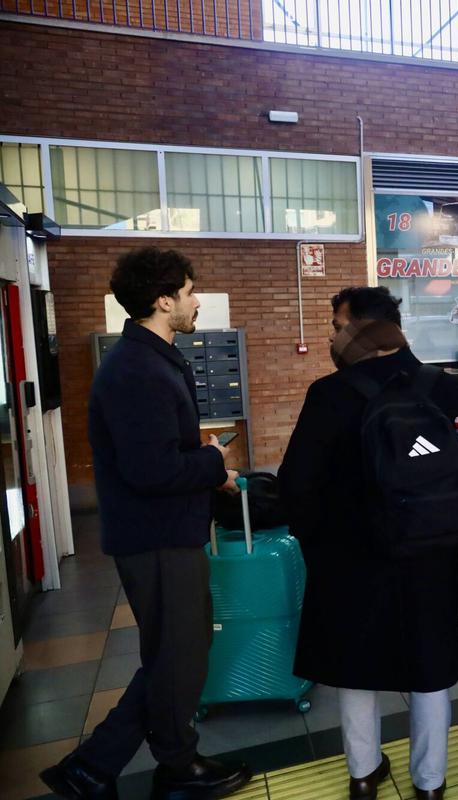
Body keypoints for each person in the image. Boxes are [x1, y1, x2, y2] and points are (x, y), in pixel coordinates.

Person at [279, 287, 458, 800]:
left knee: (353, 662)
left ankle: (363, 775)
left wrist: (314, 542)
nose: (331, 335)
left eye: (338, 325)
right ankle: (429, 783)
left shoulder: (330, 394)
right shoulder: (441, 388)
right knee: (430, 661)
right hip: (429, 553)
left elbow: (297, 483)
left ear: (363, 328)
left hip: (349, 556)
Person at [41, 248, 249, 800]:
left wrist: (201, 461)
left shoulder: (150, 359)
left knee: (175, 653)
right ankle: (163, 768)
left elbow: (156, 453)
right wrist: (212, 464)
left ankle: (98, 767)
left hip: (163, 533)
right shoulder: (138, 369)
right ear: (164, 300)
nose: (196, 301)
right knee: (178, 655)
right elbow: (152, 470)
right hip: (156, 538)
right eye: (188, 291)